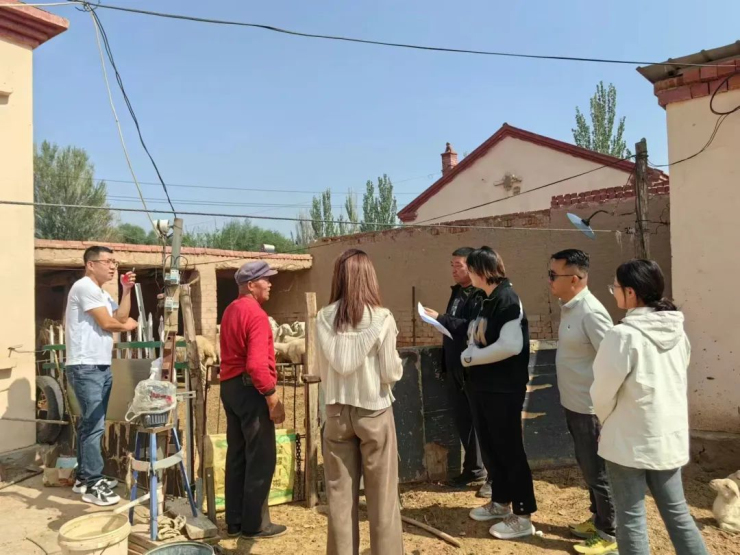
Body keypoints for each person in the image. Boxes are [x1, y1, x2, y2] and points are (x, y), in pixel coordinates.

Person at [591, 260, 709, 555]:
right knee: (678, 513)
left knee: (631, 519)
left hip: (628, 441)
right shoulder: (678, 332)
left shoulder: (622, 335)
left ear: (631, 293)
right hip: (667, 437)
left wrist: (607, 422)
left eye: (615, 287)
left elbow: (602, 391)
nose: (613, 293)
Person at [318, 249, 404, 555]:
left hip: (335, 413)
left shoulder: (322, 317)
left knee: (339, 499)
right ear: (369, 277)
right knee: (383, 498)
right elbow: (390, 371)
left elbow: (320, 369)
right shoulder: (382, 318)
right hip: (374, 410)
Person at [462, 247, 537, 540]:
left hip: (503, 390)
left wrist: (471, 358)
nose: (468, 275)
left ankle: (523, 513)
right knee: (492, 449)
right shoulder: (486, 299)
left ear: (482, 271)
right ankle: (500, 501)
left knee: (509, 450)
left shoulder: (508, 299)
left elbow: (511, 345)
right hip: (483, 387)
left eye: (471, 270)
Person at [548, 249, 616, 555]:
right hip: (574, 404)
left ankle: (610, 533)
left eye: (554, 275)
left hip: (590, 409)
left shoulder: (591, 312)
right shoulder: (570, 309)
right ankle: (598, 517)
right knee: (588, 468)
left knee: (598, 472)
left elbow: (612, 361)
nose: (549, 280)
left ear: (574, 279)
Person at [65, 246, 138, 506]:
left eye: (114, 262)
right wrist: (126, 326)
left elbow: (120, 315)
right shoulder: (84, 287)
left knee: (90, 424)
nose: (112, 266)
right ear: (90, 264)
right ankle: (93, 484)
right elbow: (109, 323)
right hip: (85, 366)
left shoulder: (102, 293)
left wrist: (126, 290)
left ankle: (83, 478)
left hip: (99, 366)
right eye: (107, 261)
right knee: (94, 425)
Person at [219, 261, 287, 540]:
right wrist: (271, 396)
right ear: (250, 285)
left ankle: (234, 521)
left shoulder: (230, 310)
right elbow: (257, 365)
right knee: (260, 457)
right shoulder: (256, 314)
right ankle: (255, 524)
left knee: (237, 455)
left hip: (230, 387)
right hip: (251, 390)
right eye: (265, 279)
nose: (270, 283)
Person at [423, 247, 489, 497]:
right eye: (451, 265)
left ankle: (492, 476)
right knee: (464, 422)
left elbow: (472, 327)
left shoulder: (480, 295)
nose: (453, 270)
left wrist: (440, 318)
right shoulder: (458, 292)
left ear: (472, 267)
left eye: (458, 265)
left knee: (481, 423)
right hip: (454, 366)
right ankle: (473, 469)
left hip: (472, 367)